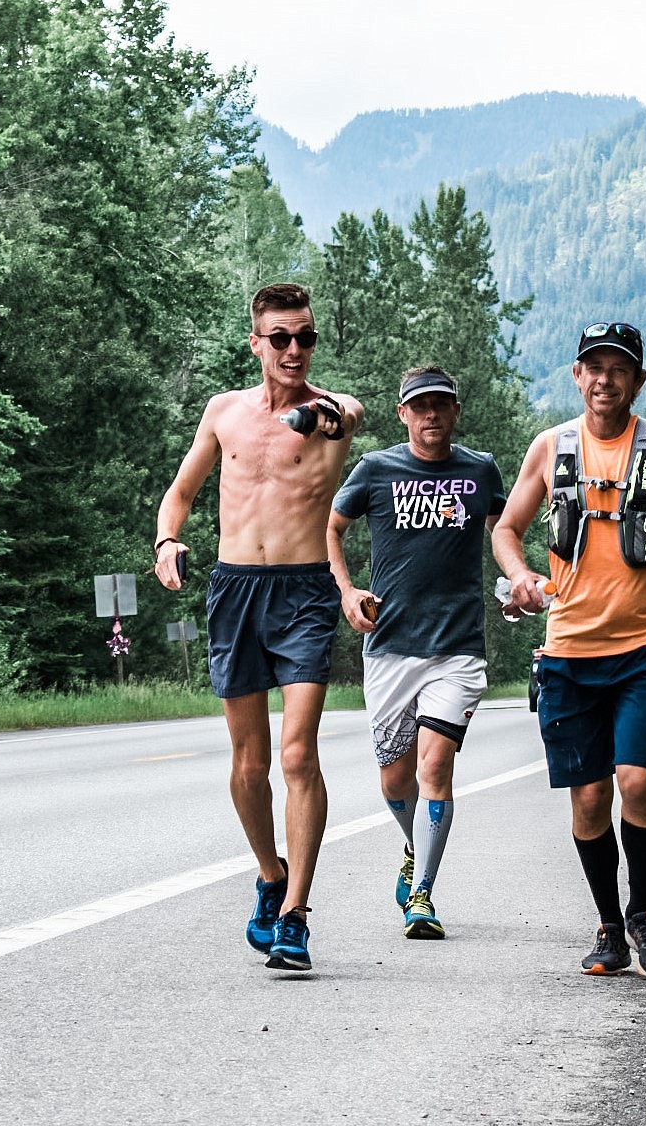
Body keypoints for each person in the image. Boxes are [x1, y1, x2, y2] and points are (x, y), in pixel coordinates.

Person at [492, 321, 646, 977]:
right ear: (576, 375)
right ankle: (609, 925)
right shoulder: (550, 448)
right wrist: (519, 574)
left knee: (635, 778)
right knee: (587, 799)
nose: (605, 378)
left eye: (618, 367)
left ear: (638, 379)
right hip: (570, 650)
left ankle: (644, 909)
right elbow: (507, 528)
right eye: (593, 366)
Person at [153, 282, 363, 972]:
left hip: (303, 592)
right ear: (256, 342)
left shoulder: (331, 411)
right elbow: (181, 492)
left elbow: (345, 417)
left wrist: (323, 416)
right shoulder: (224, 413)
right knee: (248, 765)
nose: (295, 349)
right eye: (281, 338)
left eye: (305, 337)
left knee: (297, 753)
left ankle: (296, 915)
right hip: (235, 590)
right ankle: (270, 873)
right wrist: (166, 542)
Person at [326, 367, 506, 939]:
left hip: (457, 648)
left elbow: (504, 533)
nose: (430, 415)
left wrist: (516, 584)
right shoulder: (376, 470)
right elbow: (331, 528)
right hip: (390, 648)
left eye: (440, 405)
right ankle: (413, 847)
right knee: (394, 780)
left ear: (456, 412)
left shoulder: (480, 471)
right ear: (403, 414)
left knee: (435, 767)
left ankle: (422, 895)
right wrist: (348, 590)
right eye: (419, 406)